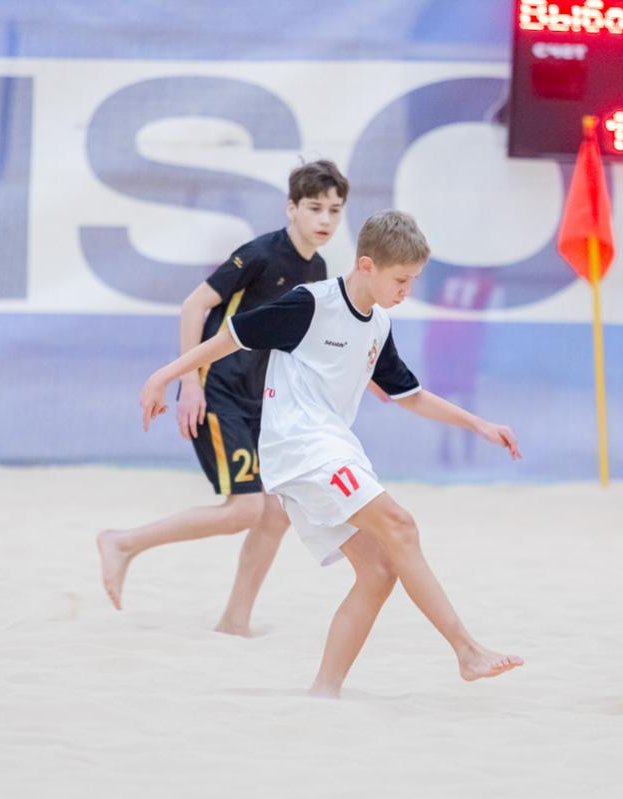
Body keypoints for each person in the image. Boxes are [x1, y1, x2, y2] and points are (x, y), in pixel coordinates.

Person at [138, 210, 524, 696]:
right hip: (301, 447)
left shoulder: (378, 323)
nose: (407, 290)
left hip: (330, 447)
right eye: (401, 279)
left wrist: (479, 424)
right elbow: (228, 339)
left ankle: (324, 692)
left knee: (379, 571)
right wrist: (164, 376)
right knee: (401, 525)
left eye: (413, 280)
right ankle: (467, 651)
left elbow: (410, 395)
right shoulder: (310, 304)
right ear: (367, 265)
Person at [98, 159, 349, 636]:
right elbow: (194, 305)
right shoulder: (259, 254)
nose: (325, 219)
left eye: (334, 210)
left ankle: (235, 621)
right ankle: (122, 543)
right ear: (291, 208)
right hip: (218, 389)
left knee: (275, 514)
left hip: (260, 401)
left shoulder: (317, 268)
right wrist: (189, 384)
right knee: (246, 509)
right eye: (315, 208)